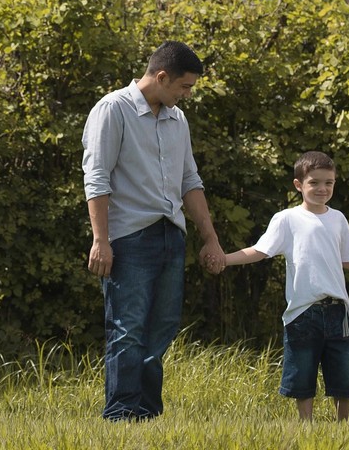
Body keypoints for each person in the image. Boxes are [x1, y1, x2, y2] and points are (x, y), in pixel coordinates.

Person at [82, 40, 226, 422]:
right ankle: (120, 414)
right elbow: (96, 178)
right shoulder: (113, 109)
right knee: (127, 329)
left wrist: (209, 237)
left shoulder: (178, 120)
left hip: (171, 235)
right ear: (161, 77)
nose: (187, 95)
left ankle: (146, 414)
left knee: (162, 328)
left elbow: (190, 181)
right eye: (184, 87)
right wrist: (101, 240)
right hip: (130, 238)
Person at [222, 151, 349, 421]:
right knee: (302, 375)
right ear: (298, 185)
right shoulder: (286, 219)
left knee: (343, 375)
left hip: (338, 310)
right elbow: (259, 250)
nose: (322, 188)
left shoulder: (338, 219)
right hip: (302, 311)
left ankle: (344, 426)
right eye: (314, 182)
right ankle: (306, 426)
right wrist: (224, 259)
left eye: (328, 183)